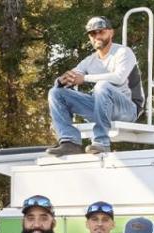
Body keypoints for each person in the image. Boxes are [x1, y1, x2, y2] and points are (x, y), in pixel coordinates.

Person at [46, 16, 141, 156]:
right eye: (92, 33)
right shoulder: (89, 60)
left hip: (127, 109)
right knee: (56, 93)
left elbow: (119, 78)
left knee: (102, 86)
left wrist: (84, 78)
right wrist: (62, 80)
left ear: (111, 32)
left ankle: (101, 142)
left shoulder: (123, 52)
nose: (97, 36)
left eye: (101, 31)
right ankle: (70, 142)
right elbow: (73, 75)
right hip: (101, 108)